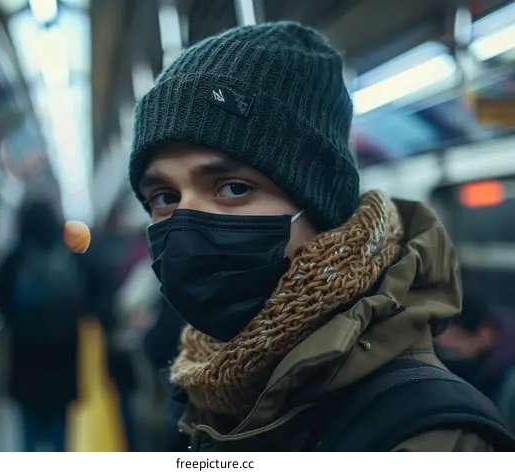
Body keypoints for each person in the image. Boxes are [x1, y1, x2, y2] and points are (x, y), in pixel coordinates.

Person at [126, 21, 515, 451]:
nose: (186, 226)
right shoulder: (201, 389)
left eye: (233, 188)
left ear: (322, 211)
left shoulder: (428, 437)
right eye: (164, 196)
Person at [0, 200, 92, 452]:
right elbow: (89, 302)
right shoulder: (72, 259)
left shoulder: (16, 258)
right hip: (63, 364)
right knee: (59, 435)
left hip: (26, 362)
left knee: (28, 437)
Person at [436, 295, 515, 430]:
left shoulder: (508, 385)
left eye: (458, 342)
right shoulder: (493, 371)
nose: (452, 356)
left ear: (485, 333)